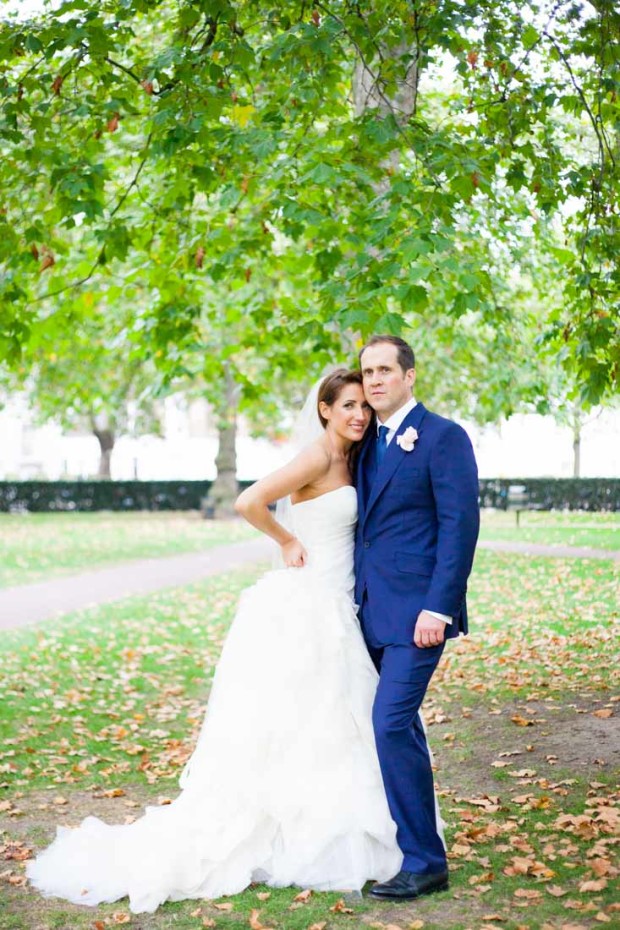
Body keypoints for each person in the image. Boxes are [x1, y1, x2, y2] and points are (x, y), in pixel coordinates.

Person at [26, 368, 404, 914]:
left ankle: (325, 829)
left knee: (332, 722)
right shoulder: (317, 457)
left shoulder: (353, 456)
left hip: (337, 602)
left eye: (362, 407)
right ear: (324, 409)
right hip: (308, 604)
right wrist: (287, 539)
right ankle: (286, 837)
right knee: (306, 721)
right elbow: (250, 501)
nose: (357, 415)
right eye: (347, 405)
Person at [355, 335, 480, 901]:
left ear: (409, 375)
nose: (375, 380)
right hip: (367, 613)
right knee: (397, 727)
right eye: (367, 371)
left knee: (388, 723)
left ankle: (425, 861)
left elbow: (459, 527)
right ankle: (404, 840)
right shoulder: (365, 443)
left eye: (385, 370)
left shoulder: (443, 437)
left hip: (419, 616)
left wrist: (440, 605)